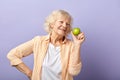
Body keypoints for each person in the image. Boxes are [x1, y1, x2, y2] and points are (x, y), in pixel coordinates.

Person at [7, 10, 85, 80]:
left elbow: (74, 72)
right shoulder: (38, 41)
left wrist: (77, 45)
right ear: (52, 24)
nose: (64, 25)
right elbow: (12, 55)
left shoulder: (71, 45)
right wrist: (29, 73)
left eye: (67, 24)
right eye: (61, 22)